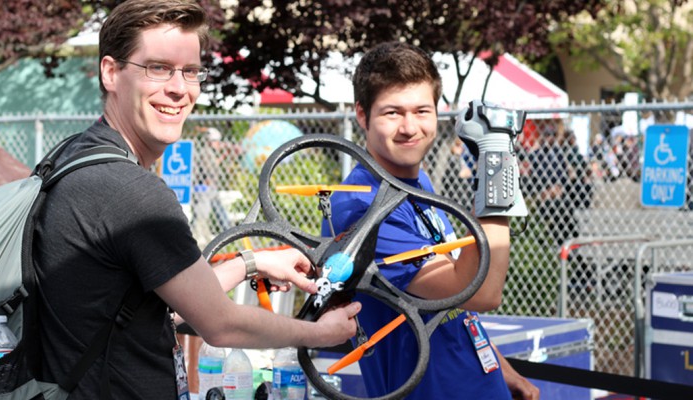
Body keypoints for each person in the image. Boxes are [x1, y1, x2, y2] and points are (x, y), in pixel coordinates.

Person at [33, 1, 360, 398]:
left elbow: (161, 302)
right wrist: (319, 333)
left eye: (190, 71)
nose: (178, 88)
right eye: (157, 68)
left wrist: (250, 263)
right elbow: (220, 324)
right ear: (111, 72)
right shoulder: (131, 193)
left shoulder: (74, 157)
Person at [322, 42, 538, 399]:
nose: (410, 127)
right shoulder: (364, 205)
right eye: (392, 113)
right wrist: (497, 171)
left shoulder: (414, 182)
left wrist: (502, 368)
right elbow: (481, 292)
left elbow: (449, 300)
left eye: (422, 110)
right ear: (362, 115)